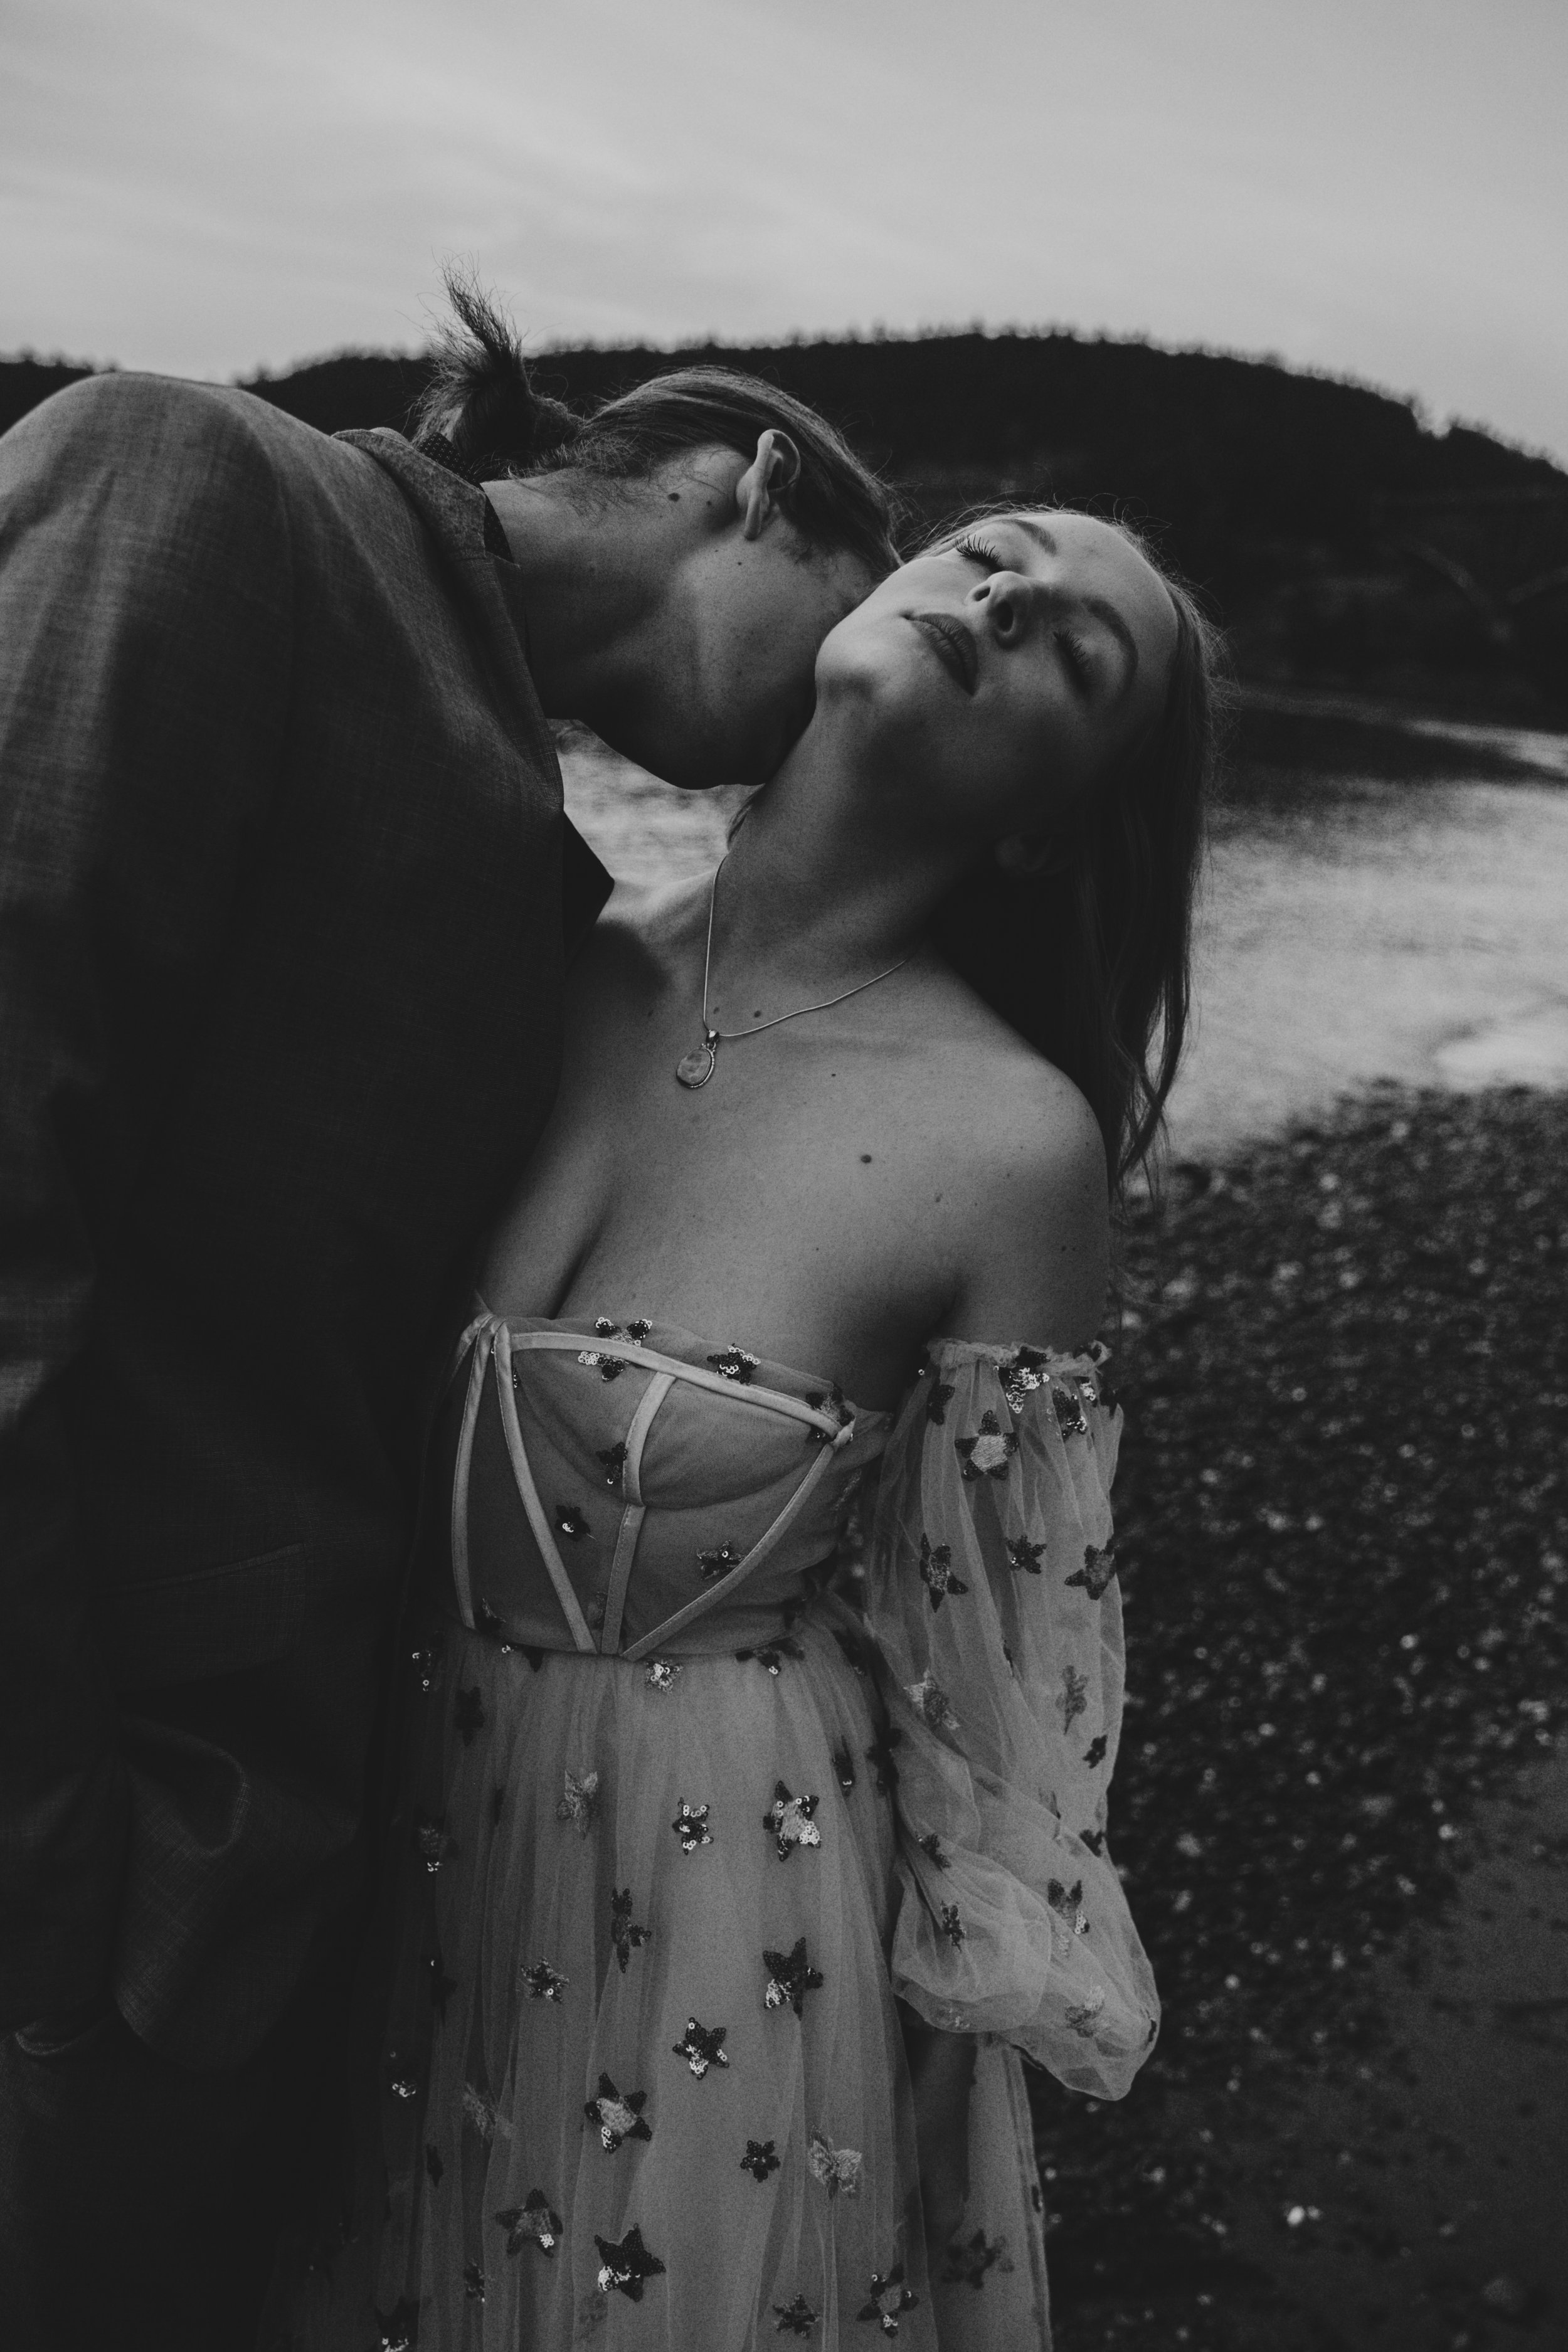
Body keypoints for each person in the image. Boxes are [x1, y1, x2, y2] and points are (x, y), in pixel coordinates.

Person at [0, 277, 899, 2349]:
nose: (834, 713)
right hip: (98, 1860)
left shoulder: (543, 849)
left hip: (263, 1886)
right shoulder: (201, 476)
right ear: (746, 482)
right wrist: (56, 1905)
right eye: (851, 629)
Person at [277, 500, 1222, 2348]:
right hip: (361, 1841)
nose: (1006, 593)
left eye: (1074, 651)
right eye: (986, 548)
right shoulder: (532, 935)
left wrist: (916, 2123)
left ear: (1043, 820)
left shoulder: (1004, 1149)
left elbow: (995, 1695)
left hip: (707, 1920)